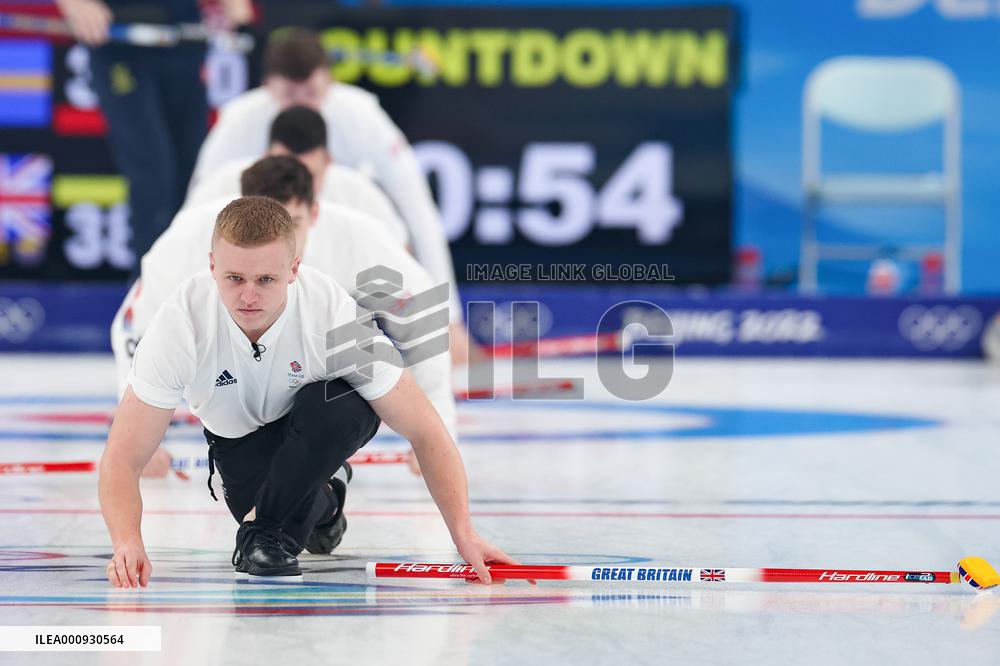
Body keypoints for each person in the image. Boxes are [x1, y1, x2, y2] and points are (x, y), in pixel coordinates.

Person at [99, 195, 512, 584]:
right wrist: (127, 542)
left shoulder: (331, 314)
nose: (248, 296)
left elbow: (425, 429)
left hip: (317, 419)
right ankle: (328, 497)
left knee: (338, 416)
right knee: (301, 525)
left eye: (266, 279)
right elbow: (122, 456)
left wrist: (463, 533)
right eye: (234, 278)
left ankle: (269, 523)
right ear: (211, 265)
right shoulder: (180, 324)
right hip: (236, 442)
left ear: (294, 270)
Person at [112, 156, 454, 475]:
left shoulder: (359, 237)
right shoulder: (187, 239)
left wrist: (437, 432)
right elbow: (132, 326)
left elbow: (423, 318)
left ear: (315, 213)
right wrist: (141, 439)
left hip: (317, 379)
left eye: (293, 223)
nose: (277, 240)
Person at [189, 28, 481, 363]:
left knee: (392, 237)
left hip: (341, 257)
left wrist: (449, 320)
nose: (302, 105)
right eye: (290, 95)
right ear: (268, 86)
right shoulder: (238, 123)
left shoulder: (362, 119)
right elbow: (192, 218)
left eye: (312, 93)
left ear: (329, 82)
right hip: (259, 250)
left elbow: (419, 212)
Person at [55, 0, 252, 272]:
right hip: (121, 41)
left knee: (192, 175)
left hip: (183, 37)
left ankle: (191, 282)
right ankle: (149, 286)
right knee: (152, 175)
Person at [184, 105, 408, 245]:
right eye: (283, 171)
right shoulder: (220, 189)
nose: (296, 187)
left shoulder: (358, 196)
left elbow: (402, 261)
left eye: (309, 176)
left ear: (328, 162)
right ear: (265, 157)